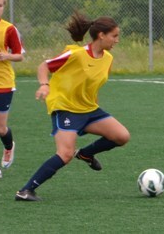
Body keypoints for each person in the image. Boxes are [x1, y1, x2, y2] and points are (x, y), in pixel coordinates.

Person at [15, 11, 130, 201]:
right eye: (114, 36)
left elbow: (94, 85)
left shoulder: (108, 58)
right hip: (66, 108)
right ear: (101, 35)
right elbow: (44, 66)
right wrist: (44, 85)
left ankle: (86, 154)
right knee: (66, 154)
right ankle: (26, 191)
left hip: (89, 110)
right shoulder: (76, 54)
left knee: (122, 136)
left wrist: (95, 107)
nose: (117, 40)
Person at [0, 0, 25, 179]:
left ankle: (9, 146)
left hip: (3, 83)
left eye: (0, 5)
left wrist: (6, 56)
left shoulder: (9, 29)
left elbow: (20, 55)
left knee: (0, 128)